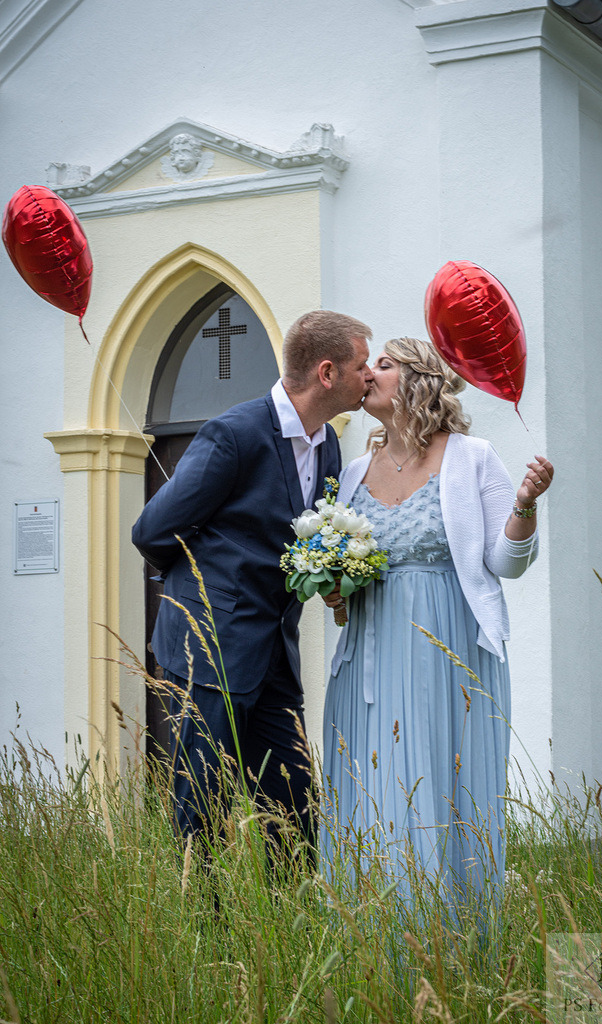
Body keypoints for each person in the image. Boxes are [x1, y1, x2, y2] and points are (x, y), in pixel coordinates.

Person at [321, 337, 553, 917]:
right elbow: (343, 571)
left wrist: (524, 505)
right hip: (367, 656)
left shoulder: (472, 457)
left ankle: (450, 937)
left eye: (384, 364)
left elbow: (507, 564)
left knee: (442, 784)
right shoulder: (351, 474)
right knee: (371, 789)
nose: (367, 373)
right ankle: (372, 934)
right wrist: (331, 587)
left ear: (420, 380)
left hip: (448, 650)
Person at [132, 310, 374, 852]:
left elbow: (302, 541)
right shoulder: (234, 434)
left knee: (295, 807)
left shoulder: (328, 447)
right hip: (208, 648)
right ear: (328, 373)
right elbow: (151, 530)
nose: (370, 377)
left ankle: (289, 928)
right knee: (203, 808)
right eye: (363, 366)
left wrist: (328, 578)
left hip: (274, 657)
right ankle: (205, 932)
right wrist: (209, 591)